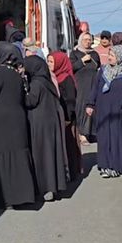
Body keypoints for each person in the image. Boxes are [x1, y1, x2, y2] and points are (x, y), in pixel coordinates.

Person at [0, 42, 37, 209]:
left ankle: (1, 198)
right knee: (16, 157)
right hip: (17, 120)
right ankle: (19, 196)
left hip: (0, 123)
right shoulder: (16, 74)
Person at [86, 45, 122, 178]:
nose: (109, 58)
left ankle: (119, 166)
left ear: (121, 57)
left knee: (118, 138)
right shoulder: (103, 70)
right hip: (103, 110)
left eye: (112, 56)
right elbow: (95, 88)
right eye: (109, 55)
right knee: (104, 138)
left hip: (120, 112)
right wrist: (90, 104)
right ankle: (105, 166)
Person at [24, 55, 68, 201]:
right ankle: (53, 187)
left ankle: (45, 187)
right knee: (51, 155)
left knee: (42, 156)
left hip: (40, 124)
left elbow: (30, 101)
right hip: (50, 122)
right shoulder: (46, 80)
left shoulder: (37, 83)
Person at [49, 50, 83, 180]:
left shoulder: (66, 78)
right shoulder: (52, 77)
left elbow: (71, 100)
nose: (49, 64)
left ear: (60, 63)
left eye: (52, 62)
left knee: (70, 145)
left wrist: (67, 118)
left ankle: (72, 172)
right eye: (48, 61)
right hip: (59, 117)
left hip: (67, 118)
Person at [70, 32, 101, 142]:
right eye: (85, 40)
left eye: (89, 40)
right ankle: (82, 133)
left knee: (92, 106)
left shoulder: (94, 54)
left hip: (93, 83)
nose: (88, 42)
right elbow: (71, 67)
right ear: (80, 40)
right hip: (81, 84)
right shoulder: (75, 53)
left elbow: (98, 66)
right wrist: (82, 61)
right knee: (81, 107)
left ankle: (91, 132)